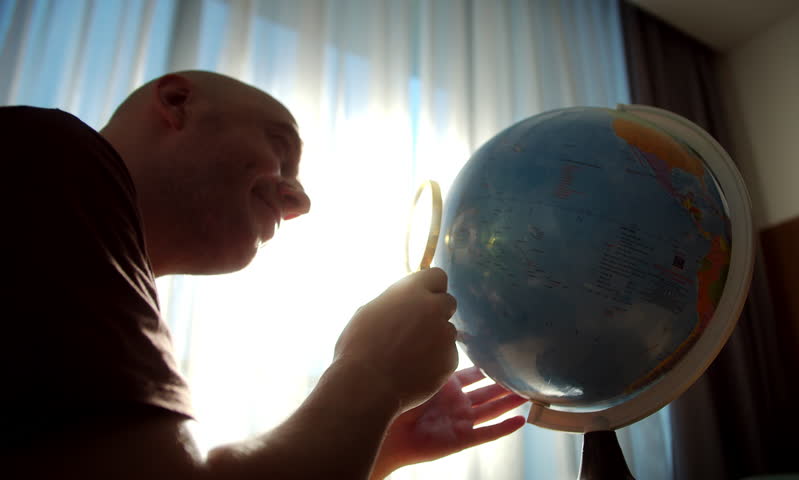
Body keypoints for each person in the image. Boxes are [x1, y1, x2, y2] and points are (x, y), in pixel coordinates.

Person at [2, 71, 527, 479]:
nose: (299, 201)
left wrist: (372, 445)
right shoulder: (48, 155)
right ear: (177, 102)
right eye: (280, 148)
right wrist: (371, 380)